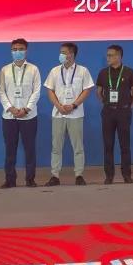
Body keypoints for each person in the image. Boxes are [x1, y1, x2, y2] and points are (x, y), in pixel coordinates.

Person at [44, 42, 95, 186]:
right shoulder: (54, 71)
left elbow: (87, 90)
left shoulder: (83, 71)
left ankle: (79, 175)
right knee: (56, 147)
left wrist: (74, 105)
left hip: (76, 114)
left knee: (78, 146)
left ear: (71, 54)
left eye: (64, 52)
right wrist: (58, 106)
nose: (61, 55)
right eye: (60, 52)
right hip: (58, 113)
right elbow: (50, 90)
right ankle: (55, 175)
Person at [0, 38, 41, 188]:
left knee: (30, 149)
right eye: (14, 49)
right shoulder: (4, 70)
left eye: (21, 49)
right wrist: (10, 108)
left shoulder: (33, 69)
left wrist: (26, 109)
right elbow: (1, 92)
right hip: (9, 116)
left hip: (29, 116)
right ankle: (10, 179)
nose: (18, 52)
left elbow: (36, 91)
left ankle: (30, 179)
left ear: (26, 50)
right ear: (11, 51)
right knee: (10, 149)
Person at [96, 44, 133, 184]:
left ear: (119, 56)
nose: (108, 58)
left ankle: (127, 174)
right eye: (107, 55)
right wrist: (106, 103)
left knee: (125, 145)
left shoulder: (129, 72)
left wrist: (129, 106)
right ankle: (109, 175)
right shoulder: (103, 73)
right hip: (108, 112)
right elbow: (99, 92)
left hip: (123, 112)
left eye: (111, 55)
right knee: (108, 145)